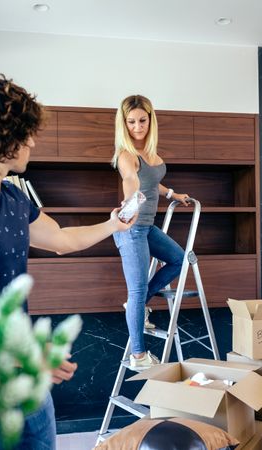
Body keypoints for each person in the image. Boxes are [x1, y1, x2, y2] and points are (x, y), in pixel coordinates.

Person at [0, 74, 136, 450]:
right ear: (2, 136)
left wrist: (113, 224)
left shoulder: (15, 200)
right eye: (25, 133)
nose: (33, 142)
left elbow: (62, 240)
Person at [112, 94, 190, 370]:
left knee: (180, 259)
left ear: (150, 119)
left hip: (147, 228)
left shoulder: (151, 154)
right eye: (131, 121)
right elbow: (132, 180)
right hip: (130, 229)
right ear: (124, 123)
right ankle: (138, 355)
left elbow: (152, 180)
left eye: (142, 120)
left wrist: (171, 193)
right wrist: (130, 203)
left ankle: (139, 305)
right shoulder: (126, 155)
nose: (137, 126)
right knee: (137, 288)